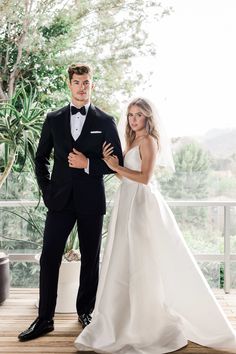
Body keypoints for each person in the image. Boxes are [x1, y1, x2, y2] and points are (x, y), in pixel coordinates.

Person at [75, 97, 236, 353]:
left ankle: (146, 324)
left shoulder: (149, 141)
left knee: (141, 261)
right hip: (127, 201)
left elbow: (145, 178)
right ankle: (122, 319)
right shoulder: (133, 141)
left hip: (141, 204)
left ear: (148, 118)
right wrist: (110, 165)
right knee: (124, 257)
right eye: (130, 115)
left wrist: (117, 166)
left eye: (138, 115)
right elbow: (125, 176)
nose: (133, 119)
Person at [18, 63, 123, 341]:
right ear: (69, 84)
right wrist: (47, 191)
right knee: (49, 257)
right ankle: (44, 319)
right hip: (60, 201)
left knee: (91, 259)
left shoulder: (105, 121)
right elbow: (40, 159)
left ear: (92, 84)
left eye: (86, 82)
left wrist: (89, 163)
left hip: (91, 201)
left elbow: (117, 165)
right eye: (77, 82)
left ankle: (85, 312)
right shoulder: (54, 119)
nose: (82, 87)